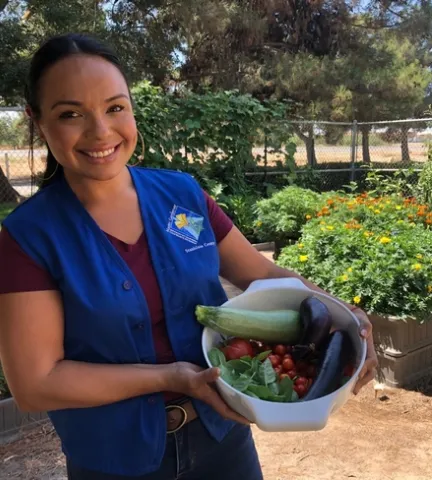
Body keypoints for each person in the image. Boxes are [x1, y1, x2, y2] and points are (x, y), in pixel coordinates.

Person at [0, 33, 378, 480]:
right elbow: (36, 385)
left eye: (115, 107)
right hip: (113, 461)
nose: (101, 131)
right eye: (70, 114)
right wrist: (169, 377)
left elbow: (261, 274)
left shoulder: (180, 198)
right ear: (38, 122)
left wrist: (345, 317)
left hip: (224, 442)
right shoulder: (28, 237)